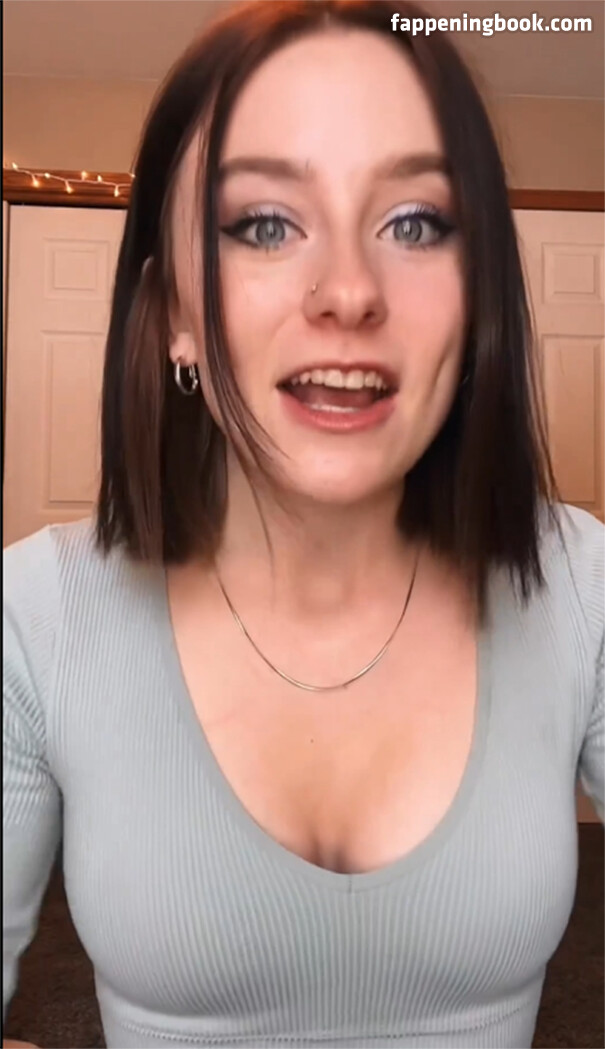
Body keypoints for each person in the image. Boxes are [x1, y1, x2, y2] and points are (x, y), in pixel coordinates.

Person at [3, 1, 603, 1047]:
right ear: (174, 313)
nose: (349, 293)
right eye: (264, 224)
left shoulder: (581, 581)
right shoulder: (33, 614)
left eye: (413, 222)